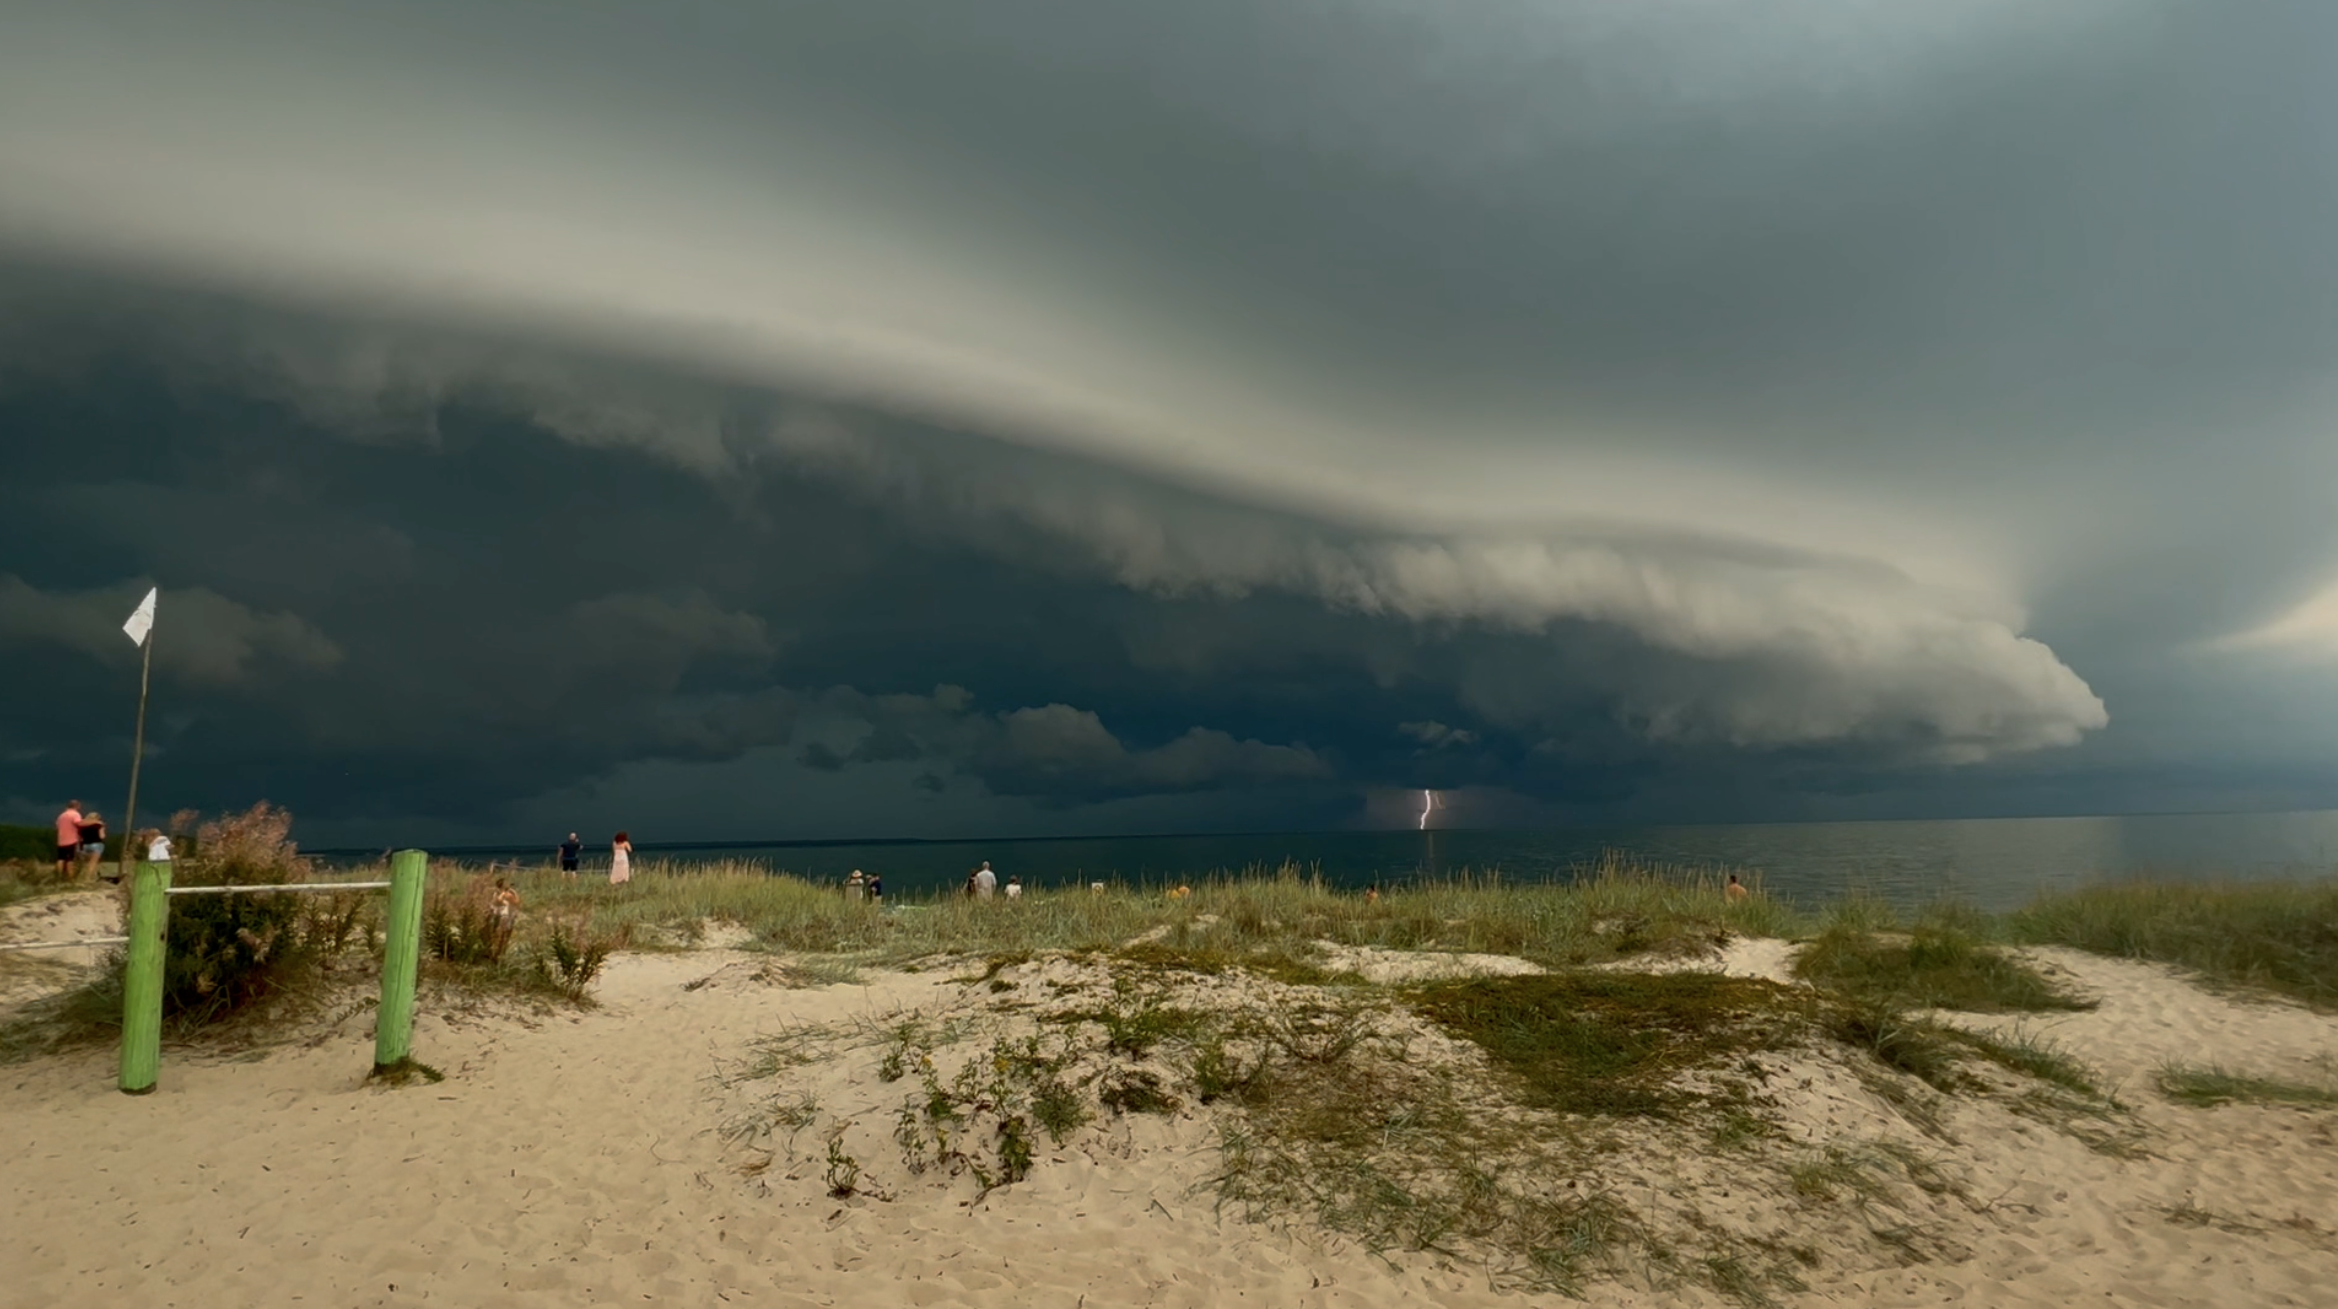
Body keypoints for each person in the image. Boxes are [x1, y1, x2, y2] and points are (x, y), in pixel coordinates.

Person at [54, 800, 83, 880]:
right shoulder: (75, 814)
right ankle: (70, 877)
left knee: (60, 859)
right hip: (71, 840)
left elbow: (57, 826)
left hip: (61, 840)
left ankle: (58, 876)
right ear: (77, 806)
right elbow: (78, 823)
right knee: (70, 860)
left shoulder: (61, 816)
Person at [76, 811, 107, 881]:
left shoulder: (83, 826)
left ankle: (80, 877)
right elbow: (102, 836)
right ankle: (88, 879)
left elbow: (80, 837)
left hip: (84, 845)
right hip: (96, 845)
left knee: (85, 863)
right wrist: (104, 829)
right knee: (92, 863)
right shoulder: (99, 825)